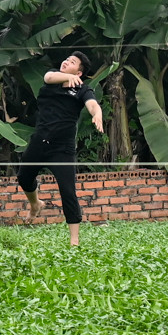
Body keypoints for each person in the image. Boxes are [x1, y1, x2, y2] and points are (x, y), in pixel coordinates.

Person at [19, 50, 105, 246]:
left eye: (72, 62)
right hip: (39, 141)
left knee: (68, 191)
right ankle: (35, 204)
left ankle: (74, 240)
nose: (66, 62)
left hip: (62, 148)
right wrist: (67, 77)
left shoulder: (83, 89)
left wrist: (97, 114)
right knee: (24, 177)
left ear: (79, 73)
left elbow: (92, 104)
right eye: (66, 59)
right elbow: (48, 77)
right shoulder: (52, 79)